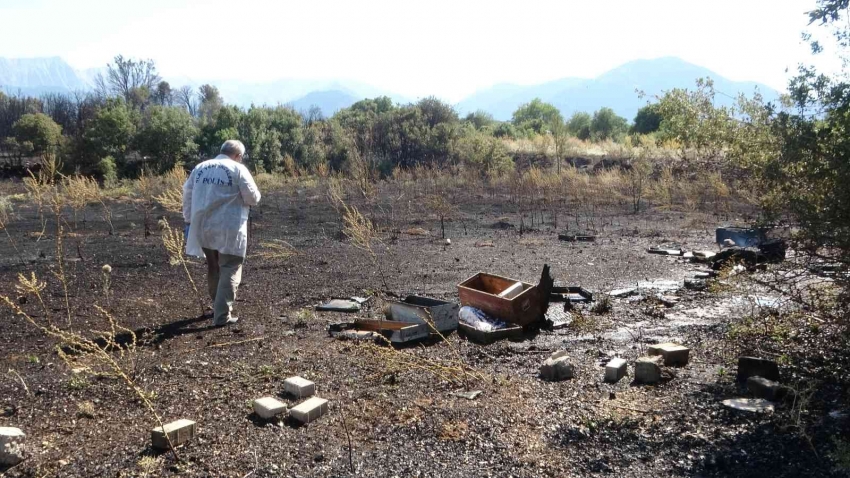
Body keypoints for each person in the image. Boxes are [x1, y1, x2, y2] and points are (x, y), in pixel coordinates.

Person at [182, 140, 261, 326]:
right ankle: (221, 316)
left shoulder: (200, 167)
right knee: (230, 266)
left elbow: (187, 194)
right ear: (238, 156)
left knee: (213, 266)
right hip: (229, 225)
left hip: (202, 225)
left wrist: (188, 221)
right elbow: (253, 197)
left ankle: (217, 306)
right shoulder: (238, 169)